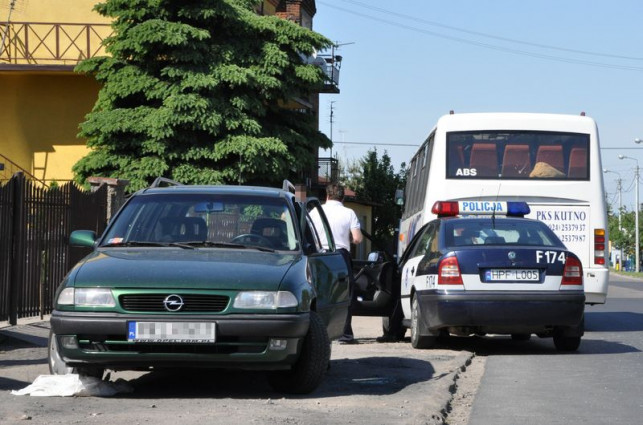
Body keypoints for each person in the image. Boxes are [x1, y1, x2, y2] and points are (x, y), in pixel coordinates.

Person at [321, 183, 363, 344]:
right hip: (340, 255)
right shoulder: (348, 213)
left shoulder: (315, 212)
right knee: (345, 293)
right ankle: (345, 334)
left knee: (321, 292)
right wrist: (349, 238)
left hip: (319, 255)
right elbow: (358, 238)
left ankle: (321, 331)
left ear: (327, 196)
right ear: (342, 197)